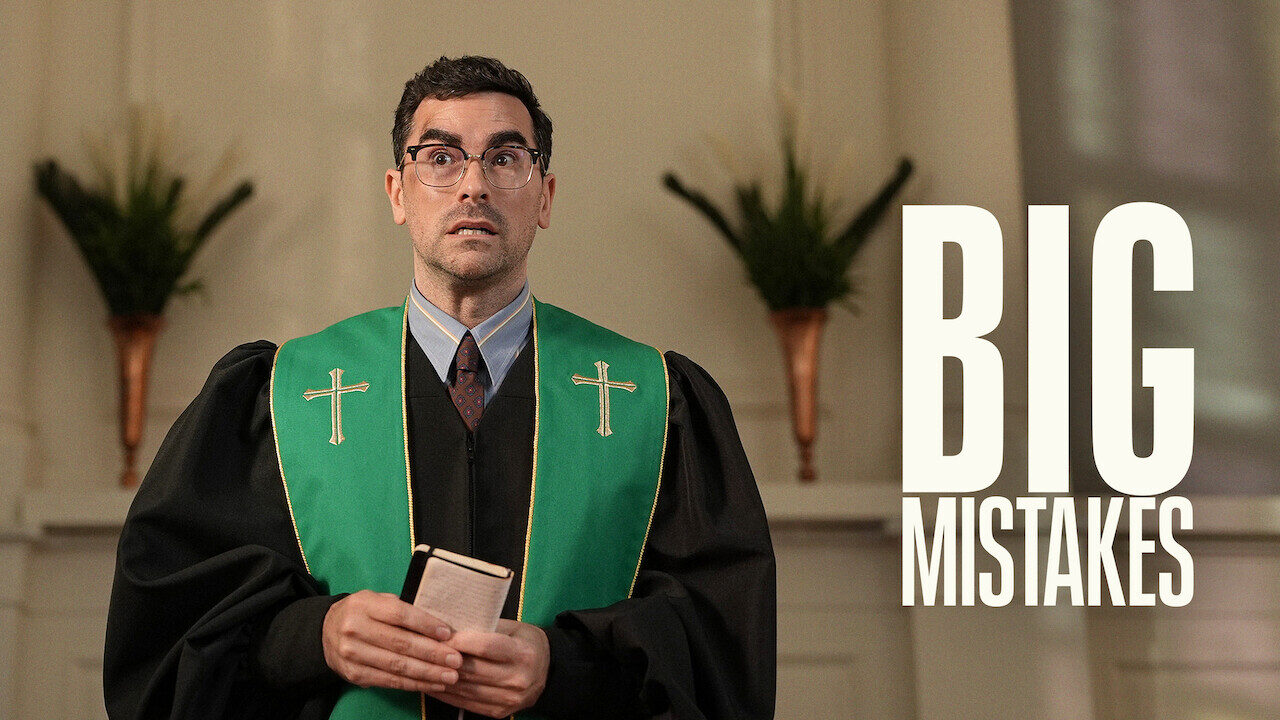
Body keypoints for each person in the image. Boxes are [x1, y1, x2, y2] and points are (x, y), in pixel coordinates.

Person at [104, 55, 775, 720]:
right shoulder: (281, 396)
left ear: (545, 196)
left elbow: (718, 642)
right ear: (398, 193)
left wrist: (566, 667)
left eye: (505, 158)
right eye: (441, 158)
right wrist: (316, 635)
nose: (473, 185)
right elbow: (175, 628)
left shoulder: (653, 401)